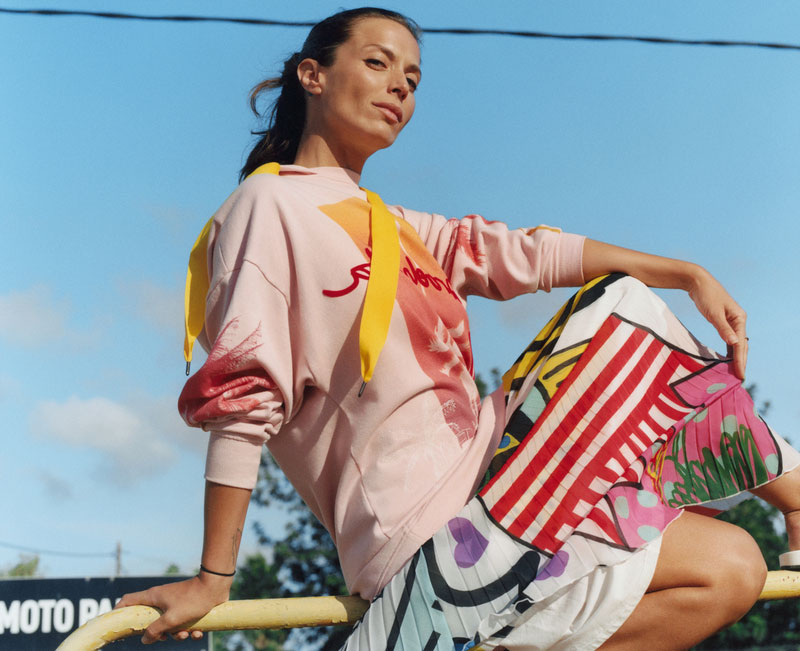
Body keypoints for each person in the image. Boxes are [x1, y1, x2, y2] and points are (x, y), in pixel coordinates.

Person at [116, 7, 800, 649]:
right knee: (626, 315)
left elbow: (525, 254)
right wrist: (214, 576)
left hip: (495, 479)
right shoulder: (268, 205)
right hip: (423, 527)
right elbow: (246, 390)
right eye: (379, 63)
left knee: (730, 566)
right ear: (312, 74)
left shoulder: (398, 227)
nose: (400, 88)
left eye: (413, 80)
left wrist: (686, 273)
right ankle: (797, 495)